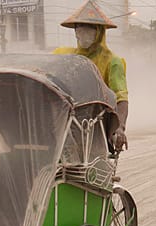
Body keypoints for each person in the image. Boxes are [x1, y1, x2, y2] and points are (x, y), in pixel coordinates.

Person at [54, 0, 129, 151]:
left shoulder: (113, 62)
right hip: (65, 121)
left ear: (99, 32)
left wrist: (120, 128)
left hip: (96, 125)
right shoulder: (63, 55)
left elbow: (121, 99)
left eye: (89, 28)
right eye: (79, 27)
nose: (82, 32)